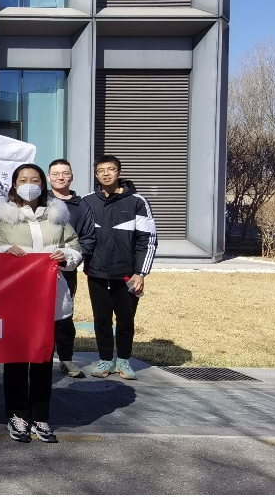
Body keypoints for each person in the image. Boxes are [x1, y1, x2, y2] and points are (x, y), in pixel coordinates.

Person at [0, 163, 81, 444]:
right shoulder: (3, 217)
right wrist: (4, 251)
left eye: (34, 180)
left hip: (48, 296)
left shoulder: (57, 215)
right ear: (14, 185)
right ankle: (17, 415)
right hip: (14, 297)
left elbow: (75, 247)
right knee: (15, 359)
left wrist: (65, 256)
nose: (29, 184)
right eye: (23, 180)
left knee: (42, 358)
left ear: (42, 184)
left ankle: (40, 416)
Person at [82, 155, 156, 382]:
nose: (106, 174)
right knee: (101, 320)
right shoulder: (87, 202)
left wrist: (140, 273)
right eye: (101, 170)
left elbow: (148, 240)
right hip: (96, 272)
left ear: (119, 172)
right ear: (96, 175)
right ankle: (105, 359)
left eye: (111, 169)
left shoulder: (137, 202)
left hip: (127, 274)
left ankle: (124, 360)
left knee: (126, 320)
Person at [47, 159, 97, 378]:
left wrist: (70, 258)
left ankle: (66, 359)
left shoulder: (82, 206)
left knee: (64, 316)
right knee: (38, 317)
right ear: (48, 177)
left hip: (65, 269)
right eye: (55, 173)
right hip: (37, 269)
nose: (60, 177)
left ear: (71, 176)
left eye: (65, 173)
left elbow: (88, 238)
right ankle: (40, 359)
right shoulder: (40, 202)